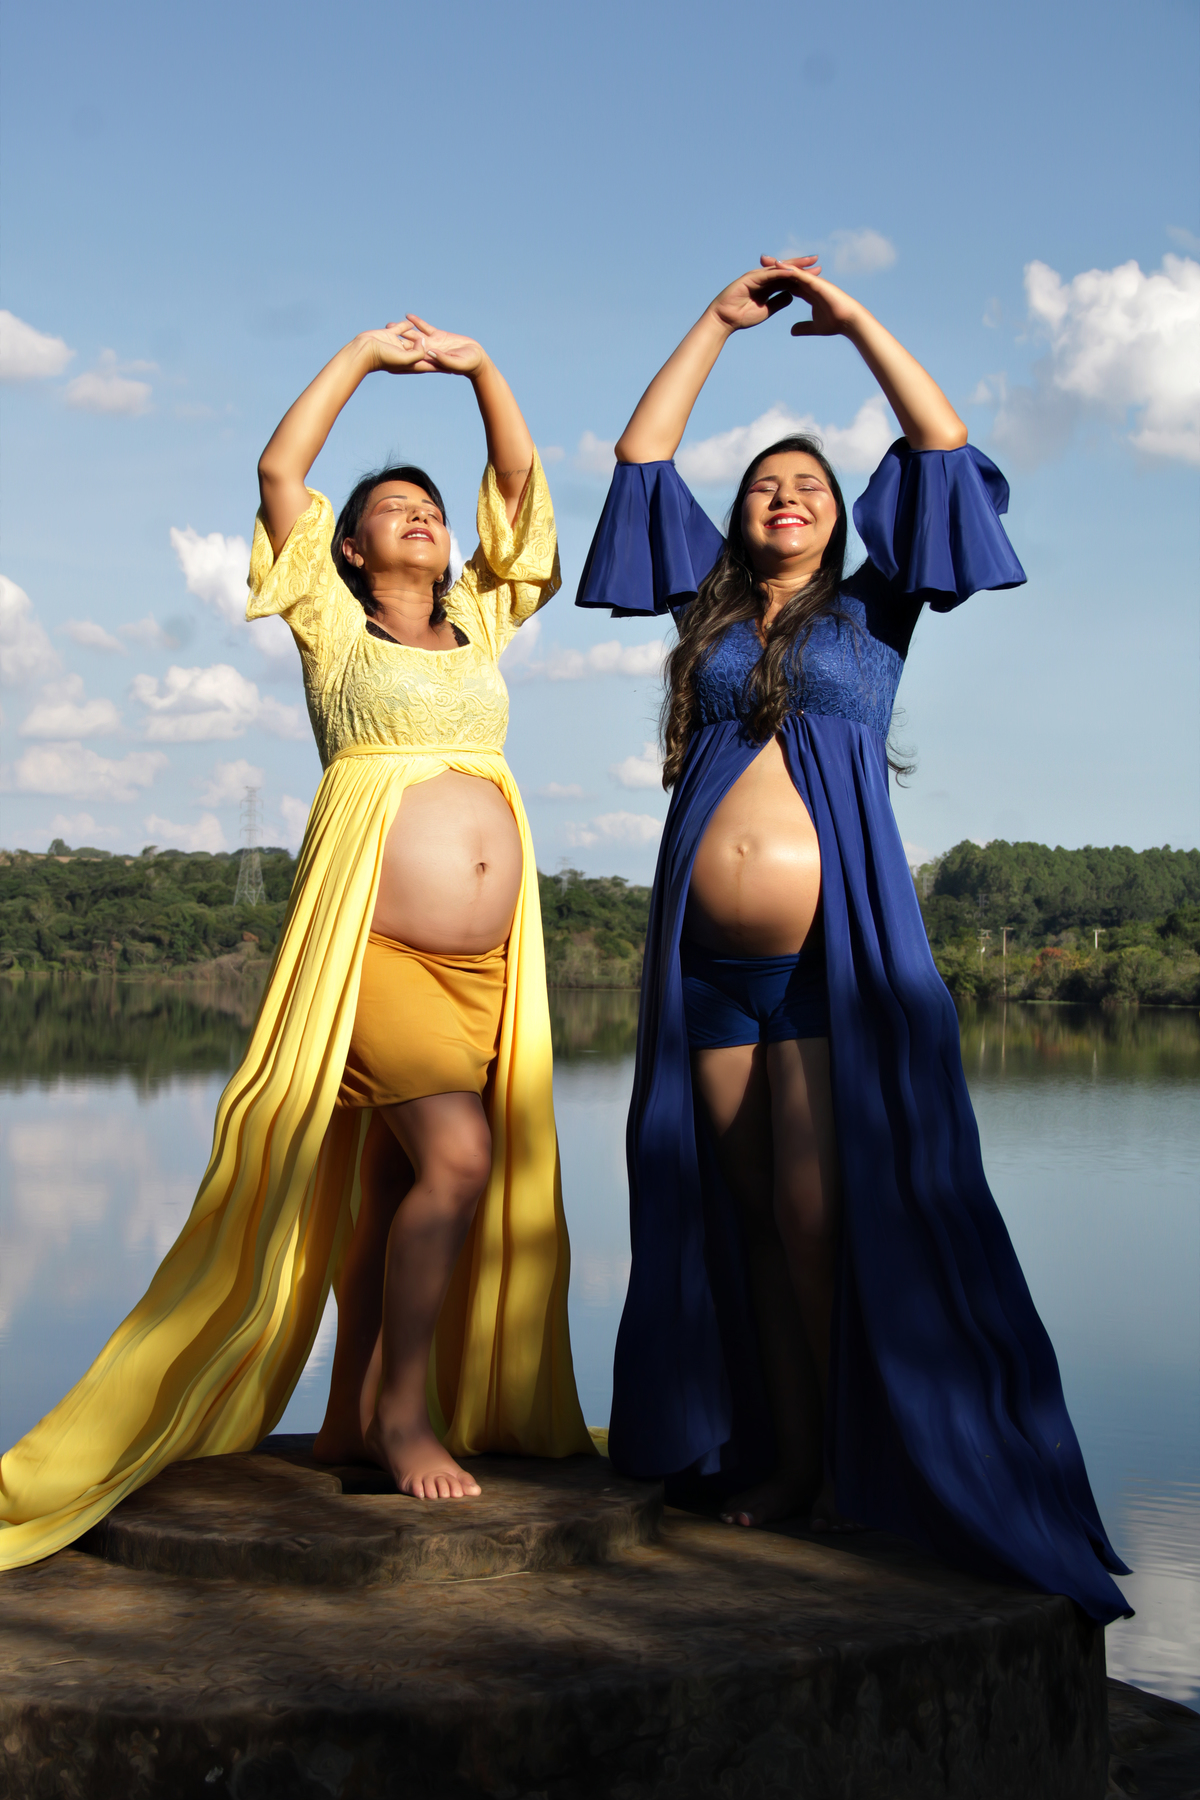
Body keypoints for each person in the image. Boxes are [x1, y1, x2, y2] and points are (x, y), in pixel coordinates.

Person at [576, 257, 1130, 1625]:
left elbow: (943, 451)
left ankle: (837, 1465)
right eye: (768, 484)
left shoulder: (877, 612)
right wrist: (710, 322)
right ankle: (777, 1456)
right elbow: (643, 462)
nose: (787, 498)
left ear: (840, 520)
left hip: (831, 967)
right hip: (709, 968)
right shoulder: (705, 615)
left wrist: (863, 324)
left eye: (811, 487)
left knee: (822, 1210)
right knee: (747, 1214)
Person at [0, 316, 593, 1570]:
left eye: (429, 505)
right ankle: (402, 1412)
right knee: (458, 1160)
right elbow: (278, 475)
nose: (421, 515)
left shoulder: (480, 622)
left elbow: (523, 496)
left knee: (390, 1188)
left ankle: (345, 1420)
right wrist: (367, 358)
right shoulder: (331, 622)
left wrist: (485, 371)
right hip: (372, 952)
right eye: (391, 507)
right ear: (352, 546)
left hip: (491, 967)